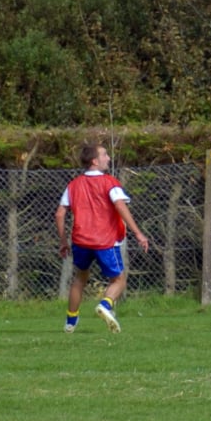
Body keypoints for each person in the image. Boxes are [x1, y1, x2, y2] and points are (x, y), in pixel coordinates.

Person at [56, 142, 152, 335]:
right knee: (119, 280)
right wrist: (138, 233)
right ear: (95, 161)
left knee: (79, 278)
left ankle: (70, 322)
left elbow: (59, 214)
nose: (108, 158)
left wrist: (63, 241)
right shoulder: (110, 182)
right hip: (105, 241)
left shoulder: (73, 185)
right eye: (105, 155)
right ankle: (105, 306)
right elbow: (120, 206)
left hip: (80, 241)